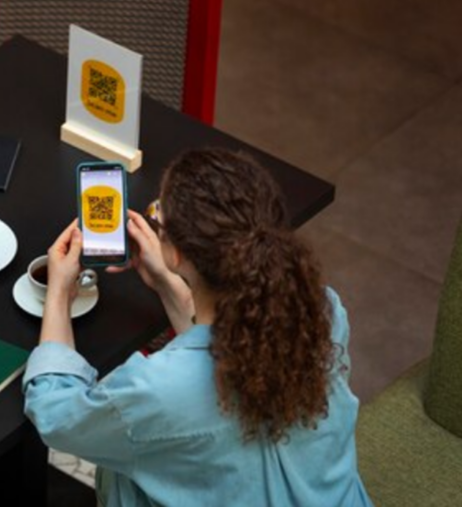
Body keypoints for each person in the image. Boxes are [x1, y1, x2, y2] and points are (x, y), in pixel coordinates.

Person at [23, 148, 373, 507]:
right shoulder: (321, 311)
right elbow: (222, 347)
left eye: (159, 215)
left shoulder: (156, 388)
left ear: (175, 253)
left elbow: (55, 416)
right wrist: (168, 284)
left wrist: (59, 291)